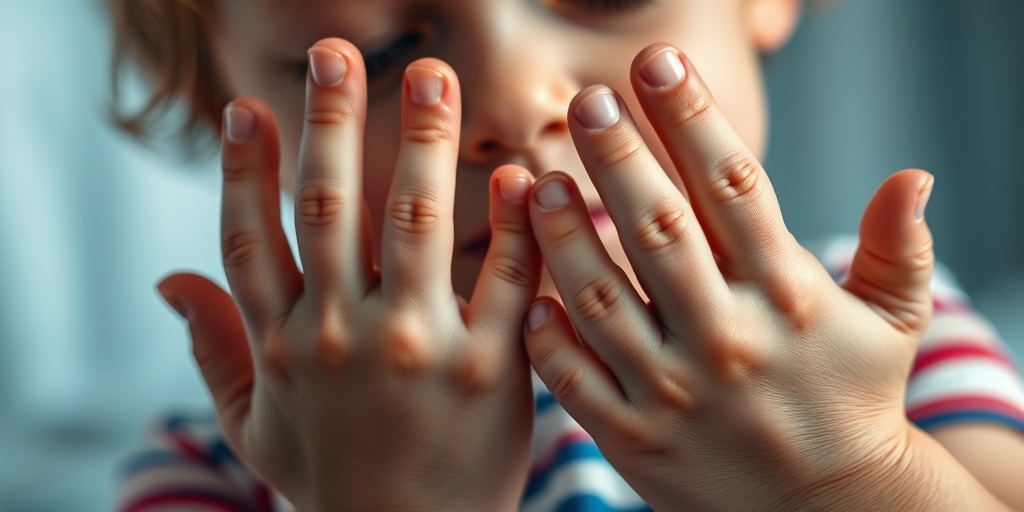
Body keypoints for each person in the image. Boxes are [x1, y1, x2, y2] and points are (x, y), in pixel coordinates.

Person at [110, 0, 1024, 510]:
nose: (512, 98)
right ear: (218, 112)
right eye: (383, 55)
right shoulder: (230, 465)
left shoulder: (881, 349)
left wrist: (847, 476)